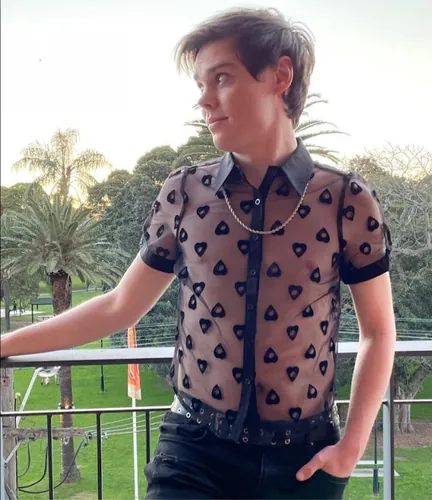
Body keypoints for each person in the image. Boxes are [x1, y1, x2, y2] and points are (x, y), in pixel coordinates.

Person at [0, 7, 396, 499]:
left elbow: (379, 331)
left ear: (280, 76)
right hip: (194, 454)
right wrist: (5, 343)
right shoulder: (185, 193)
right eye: (200, 85)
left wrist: (352, 448)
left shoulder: (344, 200)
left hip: (303, 463)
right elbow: (120, 306)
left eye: (222, 78)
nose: (204, 100)